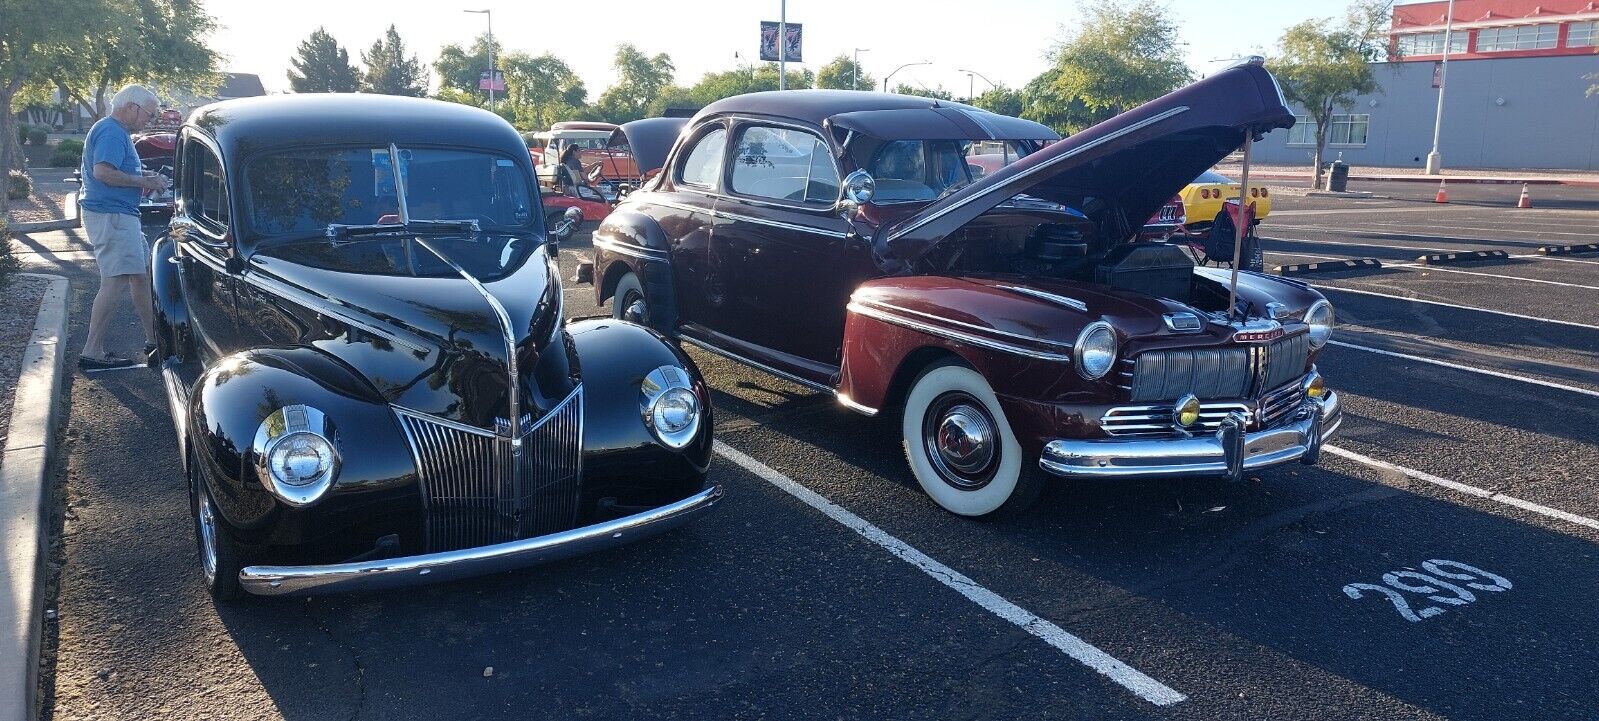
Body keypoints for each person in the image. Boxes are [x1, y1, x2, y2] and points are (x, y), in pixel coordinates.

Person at [77, 84, 170, 371]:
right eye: (149, 114)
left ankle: (154, 340)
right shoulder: (111, 131)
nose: (150, 120)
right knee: (115, 279)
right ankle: (92, 352)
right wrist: (145, 182)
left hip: (119, 215)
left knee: (140, 274)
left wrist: (143, 174)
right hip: (113, 216)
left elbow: (114, 169)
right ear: (132, 106)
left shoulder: (113, 131)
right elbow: (103, 172)